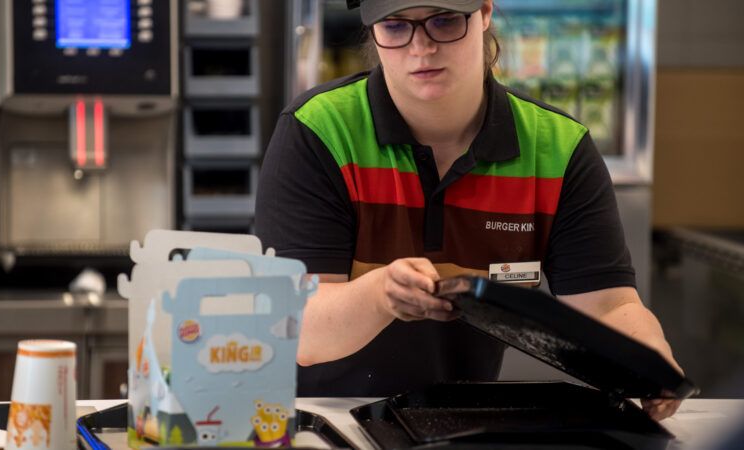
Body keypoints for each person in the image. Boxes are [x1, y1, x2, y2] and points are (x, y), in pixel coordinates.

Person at [255, 0, 682, 420]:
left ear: (485, 13)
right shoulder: (319, 131)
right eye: (395, 26)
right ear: (373, 32)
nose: (421, 47)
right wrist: (381, 293)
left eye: (443, 21)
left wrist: (648, 360)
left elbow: (607, 307)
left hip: (459, 421)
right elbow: (300, 330)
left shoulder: (556, 148)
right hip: (321, 421)